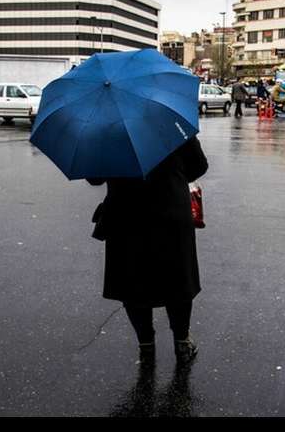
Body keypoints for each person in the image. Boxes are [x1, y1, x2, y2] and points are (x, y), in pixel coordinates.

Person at [88, 137, 209, 366]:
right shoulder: (168, 121)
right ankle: (182, 343)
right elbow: (199, 165)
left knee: (132, 283)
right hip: (171, 209)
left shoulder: (107, 131)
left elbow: (94, 177)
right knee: (177, 279)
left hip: (125, 215)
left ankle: (146, 347)